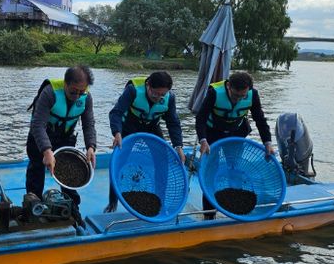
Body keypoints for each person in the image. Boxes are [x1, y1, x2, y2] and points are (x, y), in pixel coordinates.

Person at [194, 71, 275, 218]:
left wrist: (267, 142)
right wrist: (203, 140)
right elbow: (201, 118)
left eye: (242, 96)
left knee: (234, 168)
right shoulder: (214, 93)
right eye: (235, 95)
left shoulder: (253, 95)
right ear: (229, 86)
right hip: (212, 132)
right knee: (211, 171)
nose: (238, 99)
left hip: (236, 132)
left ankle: (236, 208)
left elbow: (260, 120)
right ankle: (209, 214)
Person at [26, 65, 97, 228]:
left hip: (65, 137)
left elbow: (89, 124)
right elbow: (37, 125)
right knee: (36, 170)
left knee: (70, 174)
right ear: (65, 83)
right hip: (41, 136)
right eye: (73, 92)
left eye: (81, 92)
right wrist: (46, 150)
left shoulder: (86, 97)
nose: (77, 96)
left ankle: (73, 209)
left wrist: (91, 146)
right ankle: (33, 207)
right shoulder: (49, 93)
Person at [105, 71, 185, 213]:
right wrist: (117, 132)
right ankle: (112, 202)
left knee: (163, 160)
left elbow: (173, 122)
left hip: (152, 126)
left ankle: (159, 201)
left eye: (162, 95)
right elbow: (116, 113)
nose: (158, 98)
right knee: (118, 162)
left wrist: (178, 146)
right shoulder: (133, 90)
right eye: (155, 94)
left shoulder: (170, 98)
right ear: (148, 85)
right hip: (129, 126)